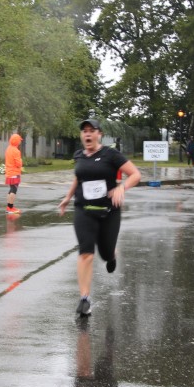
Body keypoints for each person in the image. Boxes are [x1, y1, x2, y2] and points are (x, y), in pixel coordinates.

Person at [58, 119, 141, 316]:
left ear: (99, 134)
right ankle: (84, 298)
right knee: (86, 253)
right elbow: (79, 177)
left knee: (105, 253)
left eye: (91, 130)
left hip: (108, 211)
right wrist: (68, 197)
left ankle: (111, 255)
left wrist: (121, 188)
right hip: (83, 210)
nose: (87, 134)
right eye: (84, 131)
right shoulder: (79, 155)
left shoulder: (111, 154)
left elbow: (135, 175)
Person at [4, 133, 23, 214]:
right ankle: (10, 208)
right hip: (14, 172)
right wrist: (21, 161)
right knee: (14, 190)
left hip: (9, 172)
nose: (20, 142)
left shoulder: (8, 148)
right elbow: (19, 164)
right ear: (17, 141)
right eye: (19, 140)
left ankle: (9, 206)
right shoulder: (16, 151)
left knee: (11, 189)